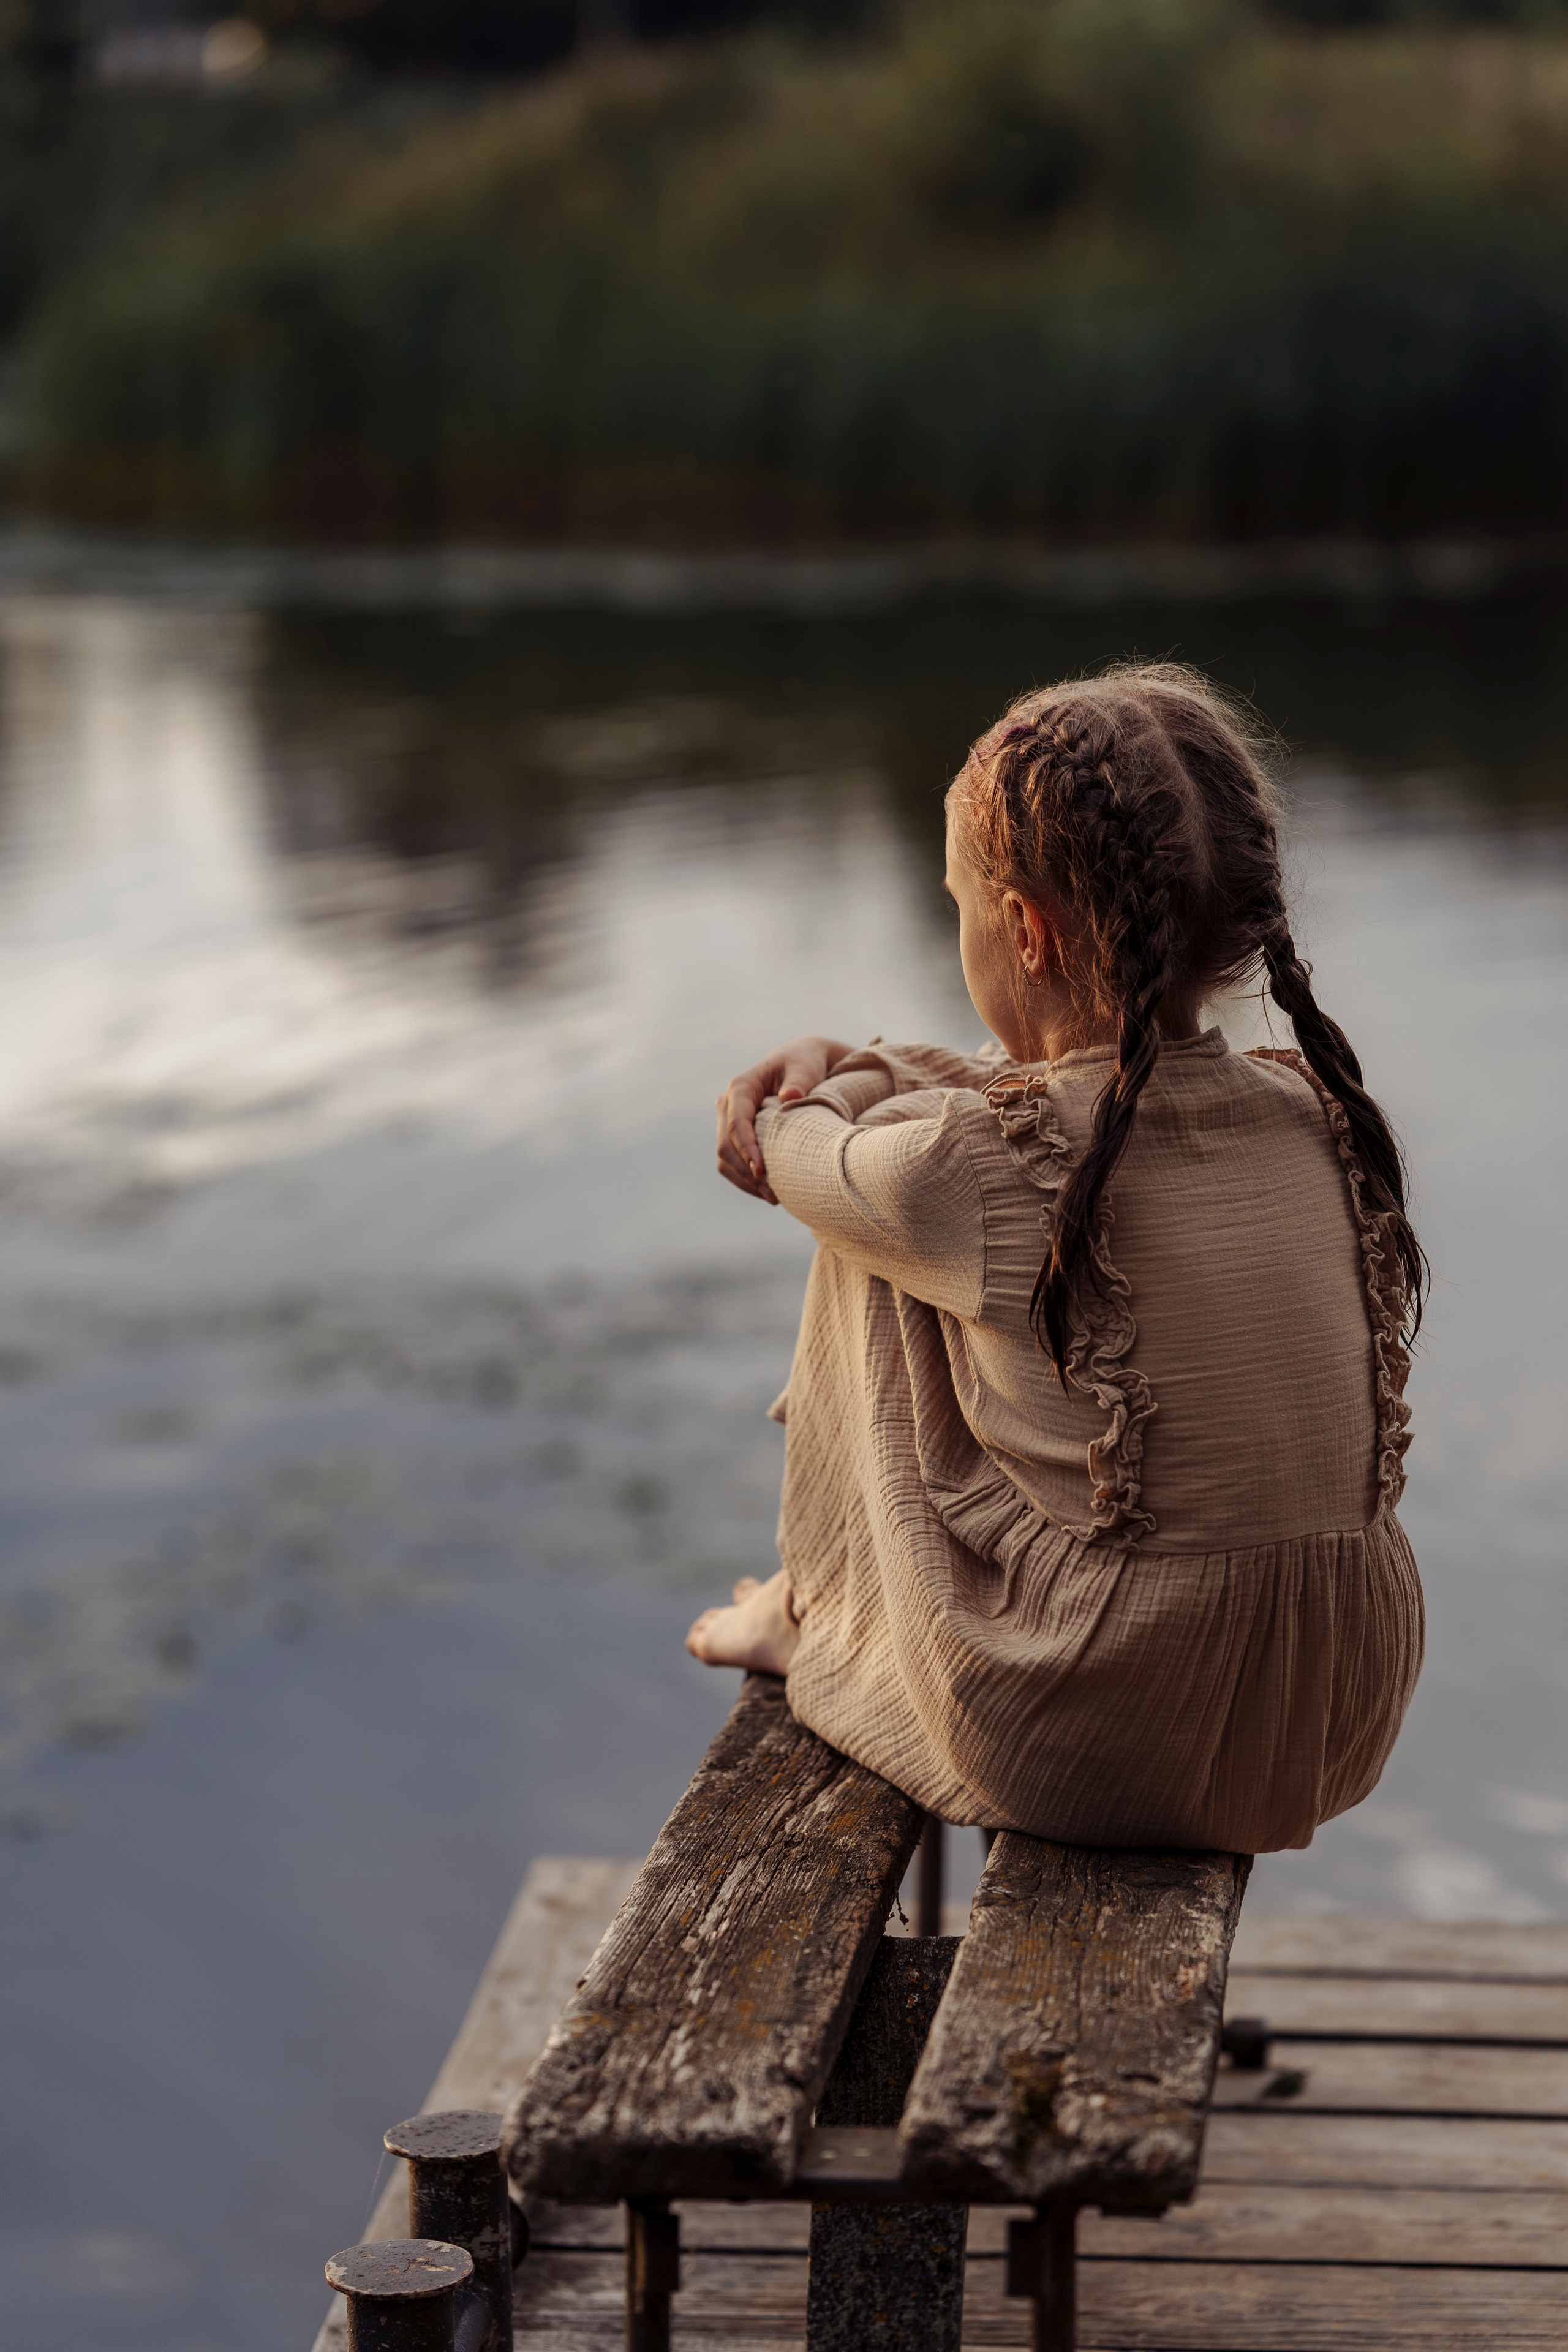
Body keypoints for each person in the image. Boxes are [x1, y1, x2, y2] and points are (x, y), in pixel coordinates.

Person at [688, 663, 1424, 1855]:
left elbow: (800, 1152)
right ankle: (820, 1608)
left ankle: (817, 1618)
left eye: (959, 907)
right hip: (1333, 1707)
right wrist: (879, 1068)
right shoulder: (1321, 1116)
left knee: (871, 1229)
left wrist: (825, 1077)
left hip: (1094, 1720)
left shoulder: (969, 1166)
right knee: (926, 1189)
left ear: (1023, 929)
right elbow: (1025, 1108)